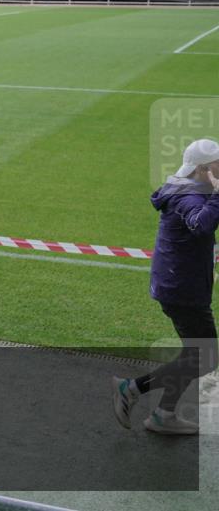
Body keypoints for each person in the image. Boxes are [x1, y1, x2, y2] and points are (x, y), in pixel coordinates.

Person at [113, 138, 219, 435]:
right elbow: (202, 224)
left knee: (194, 355)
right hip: (183, 290)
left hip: (180, 284)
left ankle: (164, 414)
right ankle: (131, 388)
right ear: (203, 169)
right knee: (205, 356)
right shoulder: (189, 197)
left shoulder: (189, 188)